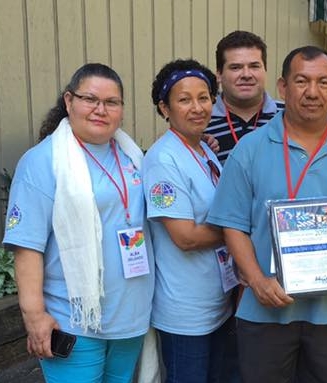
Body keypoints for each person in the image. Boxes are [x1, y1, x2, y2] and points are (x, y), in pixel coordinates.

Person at [207, 46, 327, 383]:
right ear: (283, 87)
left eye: (323, 82)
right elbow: (232, 225)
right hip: (266, 309)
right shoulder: (251, 148)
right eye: (301, 81)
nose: (312, 92)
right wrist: (257, 280)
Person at [3, 63, 153, 383]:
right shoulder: (43, 162)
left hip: (130, 316)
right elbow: (27, 245)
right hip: (73, 320)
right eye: (90, 99)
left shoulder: (132, 156)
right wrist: (34, 316)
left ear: (121, 109)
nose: (101, 109)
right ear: (69, 101)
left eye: (112, 102)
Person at [143, 59, 233, 383]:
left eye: (204, 97)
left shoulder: (205, 149)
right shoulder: (162, 160)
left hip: (218, 304)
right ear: (164, 108)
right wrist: (238, 230)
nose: (197, 107)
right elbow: (186, 237)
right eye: (184, 100)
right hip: (186, 313)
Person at [205, 30, 284, 163]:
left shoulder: (289, 116)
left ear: (265, 70)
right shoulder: (201, 121)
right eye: (236, 67)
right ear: (219, 74)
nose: (246, 75)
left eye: (254, 66)